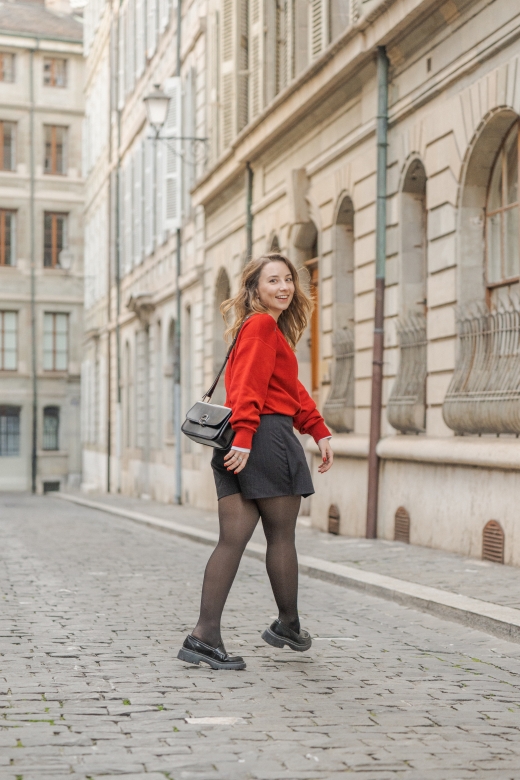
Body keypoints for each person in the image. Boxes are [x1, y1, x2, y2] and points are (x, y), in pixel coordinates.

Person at [177, 253, 334, 670]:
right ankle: (287, 623)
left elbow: (289, 388)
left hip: (239, 440)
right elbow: (247, 386)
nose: (284, 287)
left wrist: (318, 428)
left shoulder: (264, 329)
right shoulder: (262, 325)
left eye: (288, 280)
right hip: (262, 439)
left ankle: (204, 636)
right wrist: (246, 438)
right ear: (255, 289)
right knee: (281, 537)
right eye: (273, 281)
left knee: (232, 539)